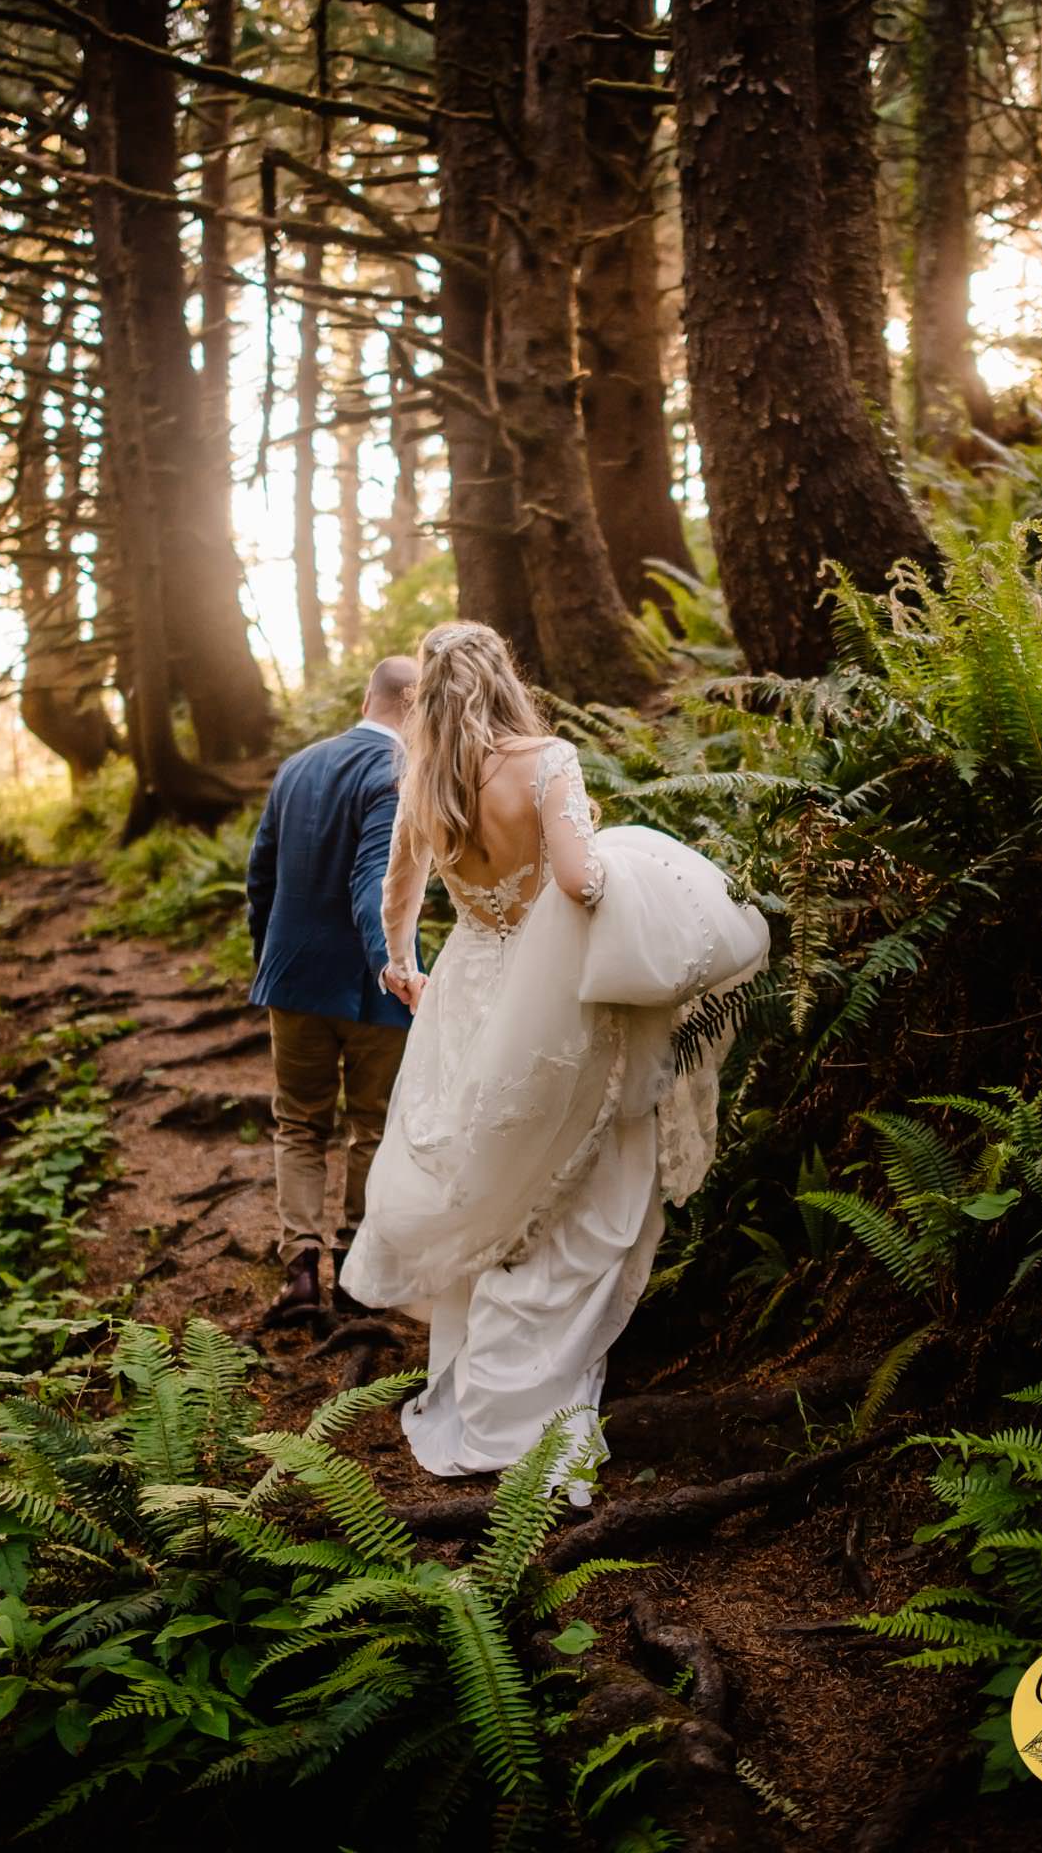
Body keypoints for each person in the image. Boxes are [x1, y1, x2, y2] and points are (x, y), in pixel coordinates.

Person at [341, 622, 768, 1500]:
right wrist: (640, 877)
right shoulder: (546, 761)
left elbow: (398, 897)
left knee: (492, 1168)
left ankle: (480, 1368)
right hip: (558, 997)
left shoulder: (421, 780)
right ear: (504, 676)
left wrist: (405, 967)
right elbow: (578, 883)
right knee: (577, 1176)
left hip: (469, 990)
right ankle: (522, 1387)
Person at [247, 655, 419, 1324]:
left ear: (366, 698)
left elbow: (260, 874)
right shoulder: (396, 773)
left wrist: (271, 959)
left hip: (293, 981)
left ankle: (298, 1273)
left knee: (298, 1124)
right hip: (372, 988)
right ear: (414, 708)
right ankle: (354, 1271)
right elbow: (372, 878)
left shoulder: (297, 766)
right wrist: (393, 968)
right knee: (371, 1127)